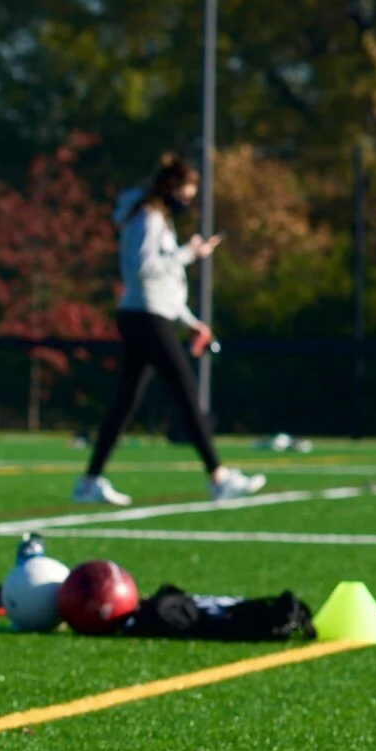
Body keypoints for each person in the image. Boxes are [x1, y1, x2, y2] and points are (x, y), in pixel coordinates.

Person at [74, 155, 265, 506]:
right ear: (170, 189)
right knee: (185, 394)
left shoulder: (158, 220)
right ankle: (218, 478)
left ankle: (89, 481)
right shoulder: (147, 218)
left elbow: (166, 287)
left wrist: (189, 321)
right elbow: (143, 270)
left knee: (126, 402)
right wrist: (187, 254)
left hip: (152, 314)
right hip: (144, 317)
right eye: (185, 195)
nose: (186, 203)